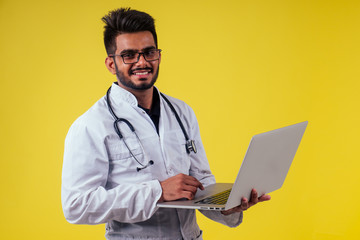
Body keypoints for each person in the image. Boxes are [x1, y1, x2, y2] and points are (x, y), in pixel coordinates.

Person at [61, 8, 270, 240]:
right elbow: (76, 205)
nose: (141, 62)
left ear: (158, 55)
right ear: (111, 64)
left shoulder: (182, 112)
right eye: (129, 55)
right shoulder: (91, 125)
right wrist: (157, 192)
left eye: (148, 52)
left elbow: (201, 183)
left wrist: (226, 207)